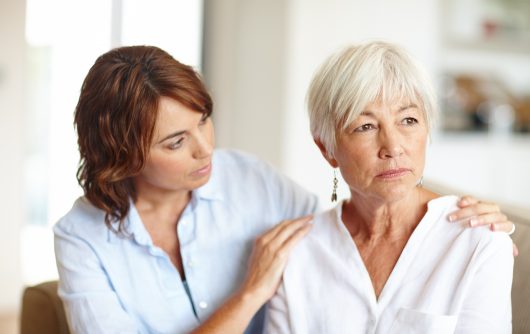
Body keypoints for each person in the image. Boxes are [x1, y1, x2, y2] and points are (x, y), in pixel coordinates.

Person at [54, 45, 514, 334]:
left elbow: (361, 211)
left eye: (203, 121)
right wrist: (251, 292)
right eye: (176, 142)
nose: (206, 149)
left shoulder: (250, 180)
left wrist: (461, 213)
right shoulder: (81, 238)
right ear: (124, 157)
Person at [264, 41, 514, 334]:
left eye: (408, 120)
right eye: (366, 127)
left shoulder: (478, 239)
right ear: (326, 148)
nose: (393, 147)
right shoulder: (298, 252)